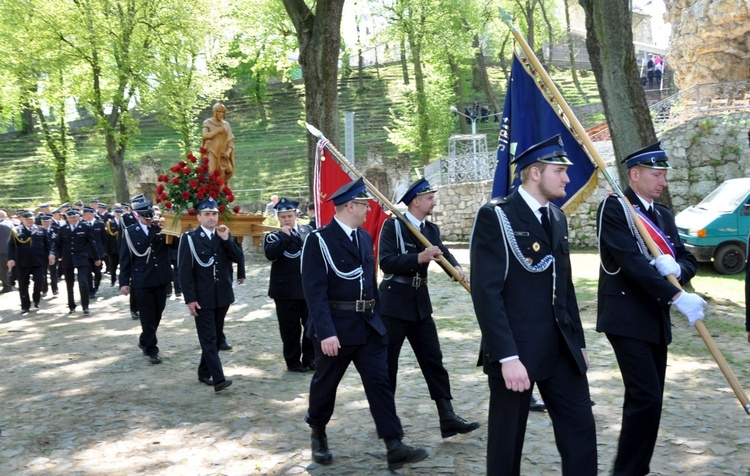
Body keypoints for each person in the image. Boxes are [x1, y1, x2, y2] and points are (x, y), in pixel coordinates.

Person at [470, 135, 597, 475]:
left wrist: (579, 342)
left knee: (581, 429)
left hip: (561, 348)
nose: (568, 179)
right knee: (506, 442)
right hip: (518, 350)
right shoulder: (496, 216)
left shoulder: (557, 217)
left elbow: (564, 287)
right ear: (535, 173)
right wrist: (506, 356)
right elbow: (486, 293)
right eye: (560, 171)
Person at [301, 177, 428, 471]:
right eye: (364, 205)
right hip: (337, 327)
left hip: (368, 325)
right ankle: (318, 432)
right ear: (350, 206)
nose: (369, 210)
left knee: (379, 383)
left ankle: (393, 444)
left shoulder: (360, 237)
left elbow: (370, 283)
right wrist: (326, 333)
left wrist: (379, 322)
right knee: (326, 384)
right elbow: (314, 291)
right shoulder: (318, 241)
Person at [597, 141, 705, 475]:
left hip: (655, 320)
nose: (663, 181)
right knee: (644, 396)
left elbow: (688, 261)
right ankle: (626, 471)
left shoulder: (663, 215)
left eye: (664, 175)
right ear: (635, 174)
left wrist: (676, 270)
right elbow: (631, 263)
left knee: (651, 399)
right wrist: (675, 296)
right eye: (656, 174)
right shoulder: (615, 208)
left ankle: (635, 466)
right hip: (626, 317)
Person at [378, 178, 480, 438]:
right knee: (388, 364)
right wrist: (418, 258)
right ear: (416, 201)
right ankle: (385, 419)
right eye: (430, 198)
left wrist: (455, 267)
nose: (434, 202)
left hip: (420, 304)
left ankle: (447, 416)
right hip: (393, 304)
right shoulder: (394, 226)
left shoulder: (430, 229)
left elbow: (442, 252)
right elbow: (386, 263)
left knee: (433, 360)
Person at [178, 197, 244, 392]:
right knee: (208, 338)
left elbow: (238, 258)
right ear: (198, 217)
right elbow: (184, 271)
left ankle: (203, 371)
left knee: (214, 337)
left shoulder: (222, 235)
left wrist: (227, 240)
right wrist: (190, 299)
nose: (212, 218)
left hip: (222, 295)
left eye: (214, 214)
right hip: (202, 297)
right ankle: (218, 379)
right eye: (207, 214)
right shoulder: (189, 238)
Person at [264, 198, 315, 372]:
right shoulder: (273, 236)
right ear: (278, 218)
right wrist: (285, 236)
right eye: (283, 216)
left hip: (307, 289)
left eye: (289, 216)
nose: (287, 219)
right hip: (285, 291)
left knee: (311, 326)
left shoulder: (307, 231)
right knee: (290, 329)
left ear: (296, 215)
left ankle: (311, 358)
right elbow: (271, 254)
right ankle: (293, 361)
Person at [119, 201, 173, 365]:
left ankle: (144, 340)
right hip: (142, 279)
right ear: (138, 216)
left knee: (157, 313)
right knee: (148, 316)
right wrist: (124, 282)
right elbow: (125, 258)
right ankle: (152, 349)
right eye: (146, 217)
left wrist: (168, 227)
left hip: (161, 278)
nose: (149, 220)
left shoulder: (161, 229)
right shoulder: (129, 232)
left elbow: (174, 244)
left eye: (151, 217)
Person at [54, 209, 101, 314]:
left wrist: (96, 258)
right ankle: (71, 305)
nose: (72, 220)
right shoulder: (63, 229)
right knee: (69, 284)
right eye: (70, 218)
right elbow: (57, 244)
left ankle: (85, 306)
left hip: (82, 258)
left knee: (83, 282)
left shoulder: (85, 227)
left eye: (74, 217)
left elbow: (92, 243)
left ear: (78, 217)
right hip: (68, 259)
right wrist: (54, 254)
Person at [7, 211, 55, 314]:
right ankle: (25, 305)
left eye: (31, 219)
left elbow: (48, 244)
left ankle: (36, 298)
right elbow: (11, 246)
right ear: (22, 220)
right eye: (27, 219)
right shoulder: (16, 230)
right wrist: (11, 259)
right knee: (23, 285)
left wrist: (51, 254)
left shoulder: (41, 229)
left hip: (39, 261)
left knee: (39, 280)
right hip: (22, 262)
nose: (30, 221)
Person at [202, 101, 235, 186]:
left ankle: (222, 189)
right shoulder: (208, 122)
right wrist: (217, 131)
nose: (221, 114)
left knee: (229, 171)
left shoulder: (226, 124)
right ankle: (212, 193)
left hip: (223, 153)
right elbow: (205, 135)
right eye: (219, 111)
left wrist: (228, 152)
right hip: (212, 151)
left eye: (223, 112)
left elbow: (230, 140)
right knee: (211, 173)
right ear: (214, 112)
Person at [82, 208, 105, 296]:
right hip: (86, 253)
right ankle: (90, 290)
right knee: (87, 273)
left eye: (87, 214)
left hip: (98, 252)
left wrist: (103, 251)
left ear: (92, 214)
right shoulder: (82, 225)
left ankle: (96, 286)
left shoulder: (100, 224)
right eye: (84, 215)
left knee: (98, 272)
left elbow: (104, 239)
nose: (85, 216)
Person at [0, 210, 14, 293]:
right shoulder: (10, 223)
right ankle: (10, 282)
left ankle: (7, 286)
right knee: (9, 267)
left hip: (1, 249)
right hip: (10, 248)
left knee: (2, 269)